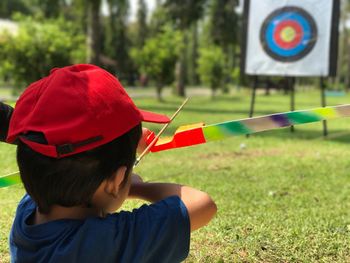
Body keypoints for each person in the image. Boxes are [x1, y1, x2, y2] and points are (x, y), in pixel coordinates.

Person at [7, 64, 217, 262]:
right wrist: (135, 187)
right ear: (115, 182)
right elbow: (201, 204)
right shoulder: (105, 243)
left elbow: (52, 159)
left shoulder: (26, 216)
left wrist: (118, 169)